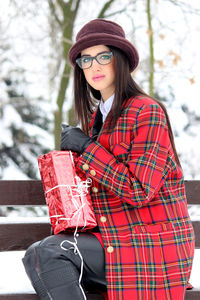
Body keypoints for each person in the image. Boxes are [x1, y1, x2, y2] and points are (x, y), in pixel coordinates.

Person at [23, 19, 195, 300]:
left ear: (121, 60)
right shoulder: (97, 119)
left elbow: (139, 190)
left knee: (49, 253)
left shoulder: (147, 111)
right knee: (37, 254)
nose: (94, 66)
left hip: (153, 244)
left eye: (104, 56)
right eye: (86, 59)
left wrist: (87, 148)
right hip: (114, 236)